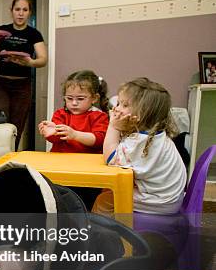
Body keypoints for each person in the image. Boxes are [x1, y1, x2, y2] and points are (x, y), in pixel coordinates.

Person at [93, 78, 187, 215]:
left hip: (160, 202)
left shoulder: (140, 141)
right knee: (109, 188)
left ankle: (102, 233)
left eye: (124, 105)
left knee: (103, 200)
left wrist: (113, 126)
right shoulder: (154, 134)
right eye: (118, 103)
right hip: (167, 198)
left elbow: (110, 157)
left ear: (143, 114)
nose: (116, 108)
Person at [0, 0, 48, 150]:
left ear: (29, 12)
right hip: (1, 84)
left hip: (22, 86)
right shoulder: (1, 31)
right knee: (0, 122)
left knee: (17, 126)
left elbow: (43, 59)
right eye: (17, 9)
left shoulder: (34, 34)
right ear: (11, 10)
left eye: (25, 10)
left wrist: (30, 62)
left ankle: (11, 158)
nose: (21, 13)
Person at [38, 70, 109, 154]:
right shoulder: (60, 114)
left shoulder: (99, 116)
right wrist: (52, 132)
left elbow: (100, 141)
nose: (74, 103)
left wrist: (75, 135)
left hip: (88, 162)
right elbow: (55, 140)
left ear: (94, 98)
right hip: (61, 161)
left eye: (80, 99)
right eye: (69, 98)